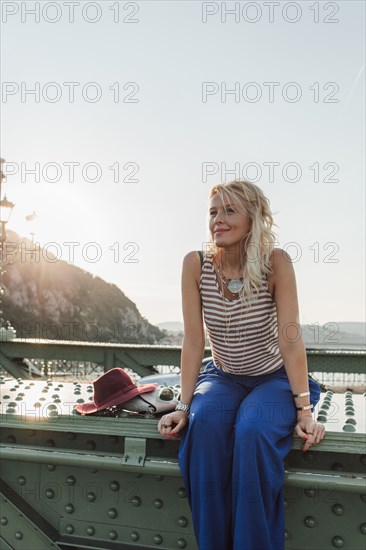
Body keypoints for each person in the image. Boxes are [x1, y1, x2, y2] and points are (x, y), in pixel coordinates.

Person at [157, 179, 325, 550]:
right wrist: (184, 407)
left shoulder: (275, 263)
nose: (218, 219)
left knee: (252, 430)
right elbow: (194, 341)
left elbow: (290, 339)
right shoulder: (195, 264)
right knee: (204, 429)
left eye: (229, 210)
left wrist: (305, 412)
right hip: (223, 376)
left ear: (253, 219)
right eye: (213, 212)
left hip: (275, 379)